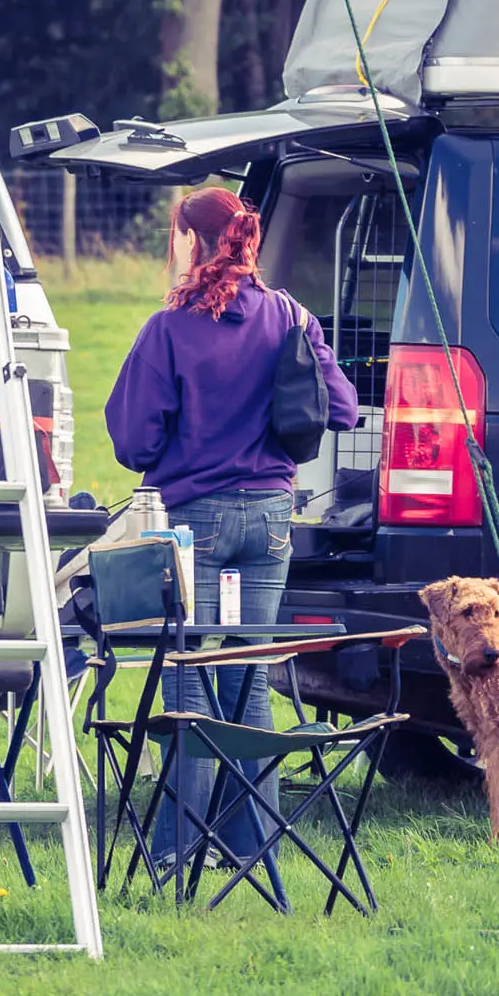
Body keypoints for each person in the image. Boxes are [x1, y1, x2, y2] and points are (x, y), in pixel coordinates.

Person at [104, 186, 359, 866]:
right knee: (246, 673)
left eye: (174, 235)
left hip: (196, 529)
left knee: (189, 676)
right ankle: (254, 848)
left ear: (192, 242)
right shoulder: (291, 316)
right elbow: (342, 407)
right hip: (270, 524)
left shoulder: (169, 329)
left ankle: (174, 853)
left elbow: (132, 440)